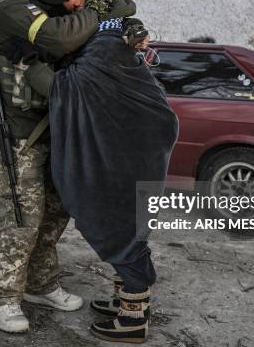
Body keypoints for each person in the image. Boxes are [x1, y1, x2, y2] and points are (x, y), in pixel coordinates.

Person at [0, 0, 136, 334]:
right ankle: (1, 300)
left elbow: (126, 9)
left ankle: (41, 285)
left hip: (57, 130)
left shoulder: (66, 11)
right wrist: (102, 12)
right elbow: (58, 39)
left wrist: (116, 11)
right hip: (18, 135)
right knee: (23, 220)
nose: (81, 2)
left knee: (56, 212)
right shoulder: (13, 12)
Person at [49, 18, 179, 343]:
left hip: (126, 172)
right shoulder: (129, 64)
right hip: (139, 169)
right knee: (131, 232)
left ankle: (133, 321)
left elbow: (60, 86)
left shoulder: (102, 57)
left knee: (120, 232)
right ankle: (128, 301)